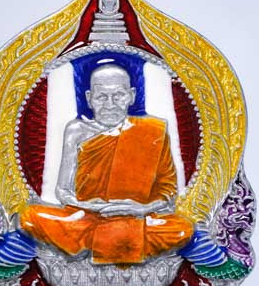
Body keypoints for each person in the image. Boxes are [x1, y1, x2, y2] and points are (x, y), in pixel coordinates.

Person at [20, 64, 193, 264]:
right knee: (30, 216)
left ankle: (97, 242)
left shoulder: (153, 131)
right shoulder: (77, 130)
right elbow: (63, 191)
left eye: (118, 96)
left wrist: (141, 209)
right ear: (89, 98)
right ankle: (116, 241)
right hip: (87, 216)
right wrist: (86, 206)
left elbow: (168, 192)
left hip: (137, 216)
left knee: (182, 229)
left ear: (131, 95)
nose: (110, 104)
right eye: (102, 97)